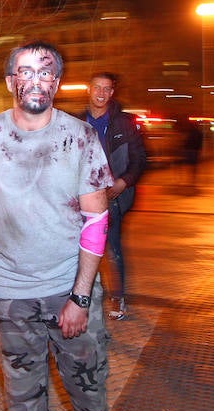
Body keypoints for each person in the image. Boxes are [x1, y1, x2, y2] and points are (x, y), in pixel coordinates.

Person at [0, 41, 114, 411]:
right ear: (11, 81)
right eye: (26, 72)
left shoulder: (81, 138)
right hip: (11, 297)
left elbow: (96, 219)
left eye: (46, 73)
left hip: (69, 290)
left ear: (56, 83)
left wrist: (80, 297)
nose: (36, 81)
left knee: (89, 401)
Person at [75, 72, 147, 318]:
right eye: (97, 87)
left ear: (112, 93)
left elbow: (139, 160)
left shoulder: (124, 123)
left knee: (112, 248)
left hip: (113, 195)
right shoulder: (76, 121)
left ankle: (118, 297)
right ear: (89, 89)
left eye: (107, 89)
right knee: (77, 248)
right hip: (81, 195)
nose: (101, 93)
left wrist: (122, 182)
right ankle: (84, 295)